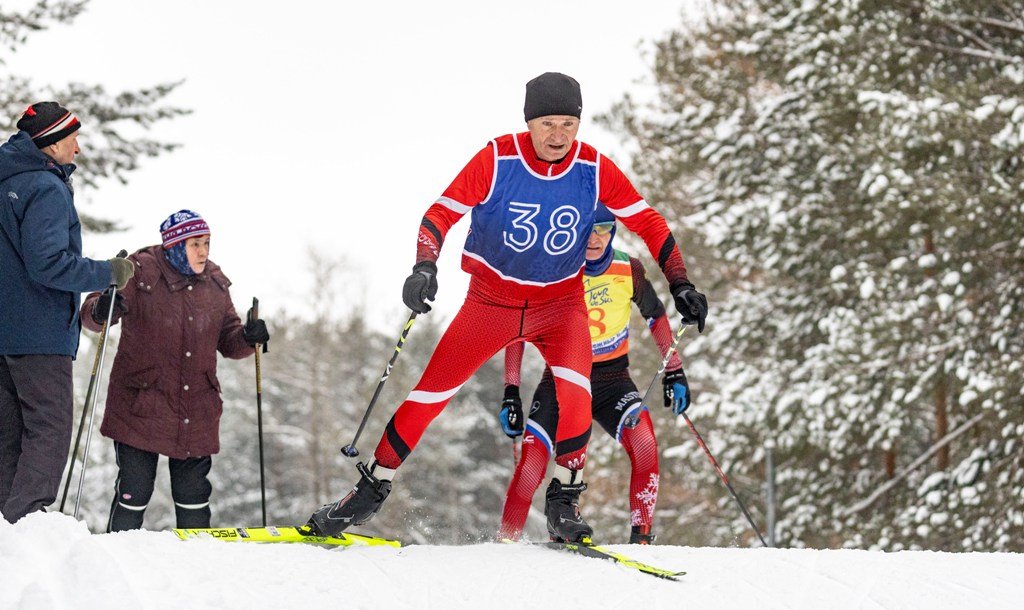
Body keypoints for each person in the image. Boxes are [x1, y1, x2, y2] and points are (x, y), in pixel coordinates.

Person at [307, 71, 707, 542]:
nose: (558, 136)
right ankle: (370, 489)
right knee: (429, 396)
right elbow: (440, 214)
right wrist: (424, 267)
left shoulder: (595, 168)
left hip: (559, 305)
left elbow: (650, 223)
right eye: (547, 124)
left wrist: (679, 281)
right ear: (529, 122)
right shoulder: (498, 159)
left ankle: (564, 499)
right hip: (490, 303)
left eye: (568, 124)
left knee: (576, 394)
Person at [497, 203, 691, 544]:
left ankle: (641, 540)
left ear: (612, 231)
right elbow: (517, 332)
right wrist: (510, 391)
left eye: (602, 228)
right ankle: (505, 543)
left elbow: (656, 315)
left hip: (613, 381)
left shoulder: (627, 269)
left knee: (645, 444)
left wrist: (674, 372)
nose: (594, 238)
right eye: (587, 229)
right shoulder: (550, 270)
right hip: (560, 381)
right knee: (531, 466)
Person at [80, 209, 269, 531]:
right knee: (134, 492)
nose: (204, 251)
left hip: (196, 406)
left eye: (207, 243)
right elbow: (94, 314)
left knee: (194, 496)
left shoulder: (215, 283)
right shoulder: (140, 271)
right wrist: (101, 308)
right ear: (174, 244)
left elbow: (229, 339)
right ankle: (115, 559)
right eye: (195, 243)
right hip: (141, 403)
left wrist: (249, 339)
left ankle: (197, 566)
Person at [0, 102, 135, 523]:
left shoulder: (7, 182)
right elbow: (48, 263)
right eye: (73, 138)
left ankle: (6, 527)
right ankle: (24, 523)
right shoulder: (44, 186)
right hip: (38, 333)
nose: (77, 148)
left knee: (10, 435)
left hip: (5, 333)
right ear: (52, 142)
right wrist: (108, 272)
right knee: (49, 431)